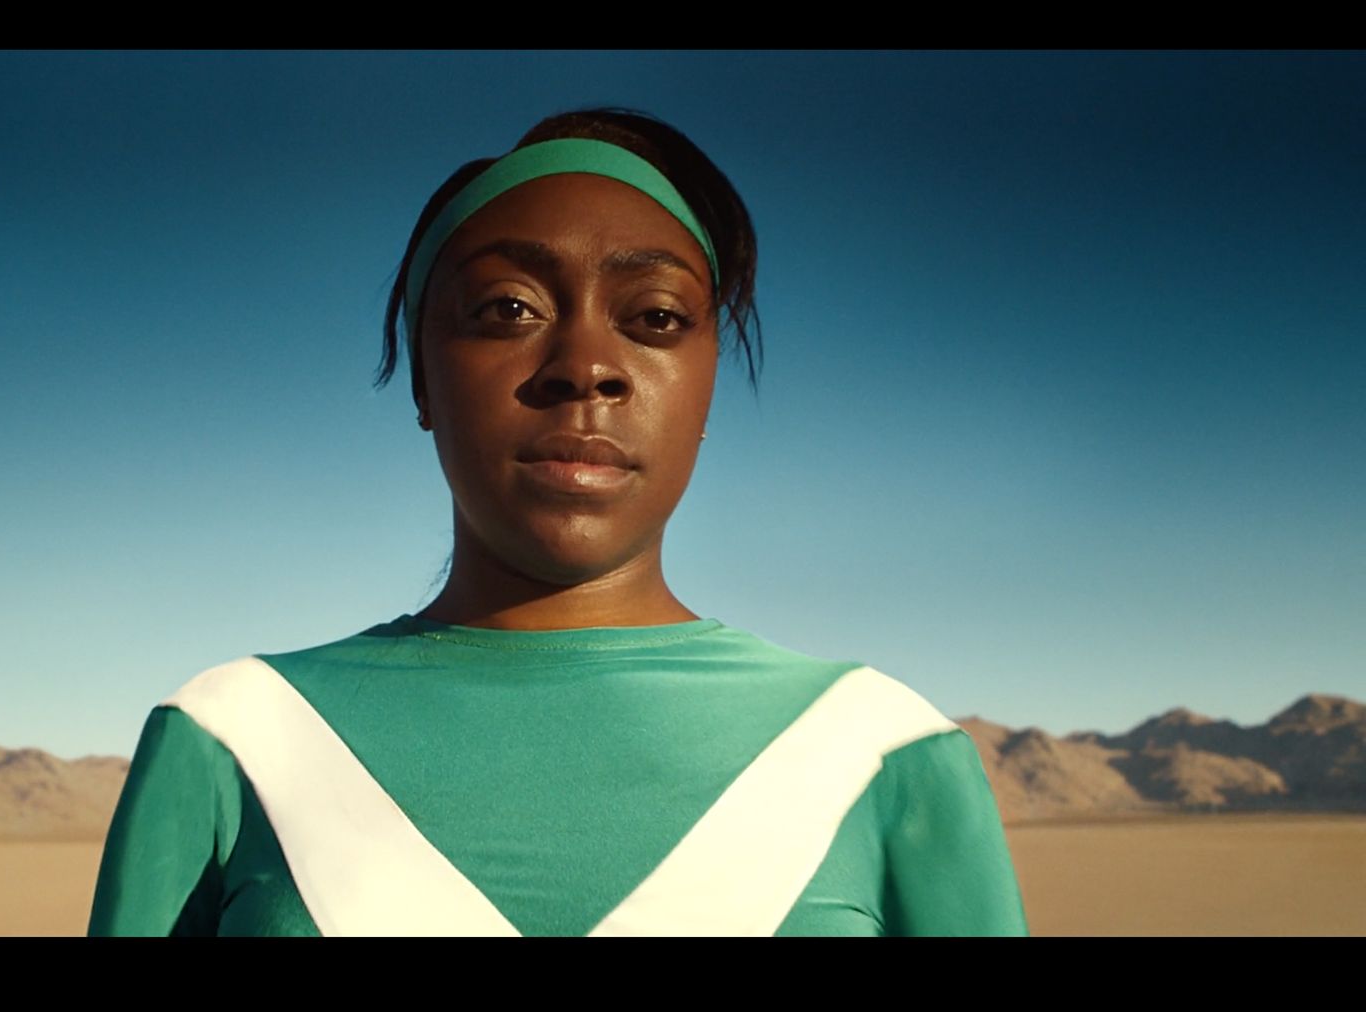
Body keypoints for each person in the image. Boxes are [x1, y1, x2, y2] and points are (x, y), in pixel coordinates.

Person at [87, 108, 1030, 937]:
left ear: (704, 386)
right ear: (424, 377)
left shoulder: (881, 754)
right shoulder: (236, 740)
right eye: (507, 308)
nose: (586, 365)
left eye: (655, 318)